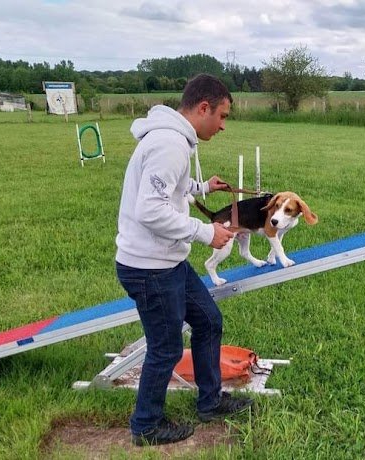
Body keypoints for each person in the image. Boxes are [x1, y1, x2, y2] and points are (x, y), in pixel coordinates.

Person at [115, 73, 253, 446]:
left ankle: (209, 402)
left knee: (208, 321)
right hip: (148, 267)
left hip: (167, 261)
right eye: (222, 116)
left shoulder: (174, 140)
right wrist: (206, 232)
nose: (223, 125)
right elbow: (150, 209)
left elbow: (172, 187)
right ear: (203, 108)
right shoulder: (169, 145)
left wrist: (202, 188)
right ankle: (146, 426)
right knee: (166, 348)